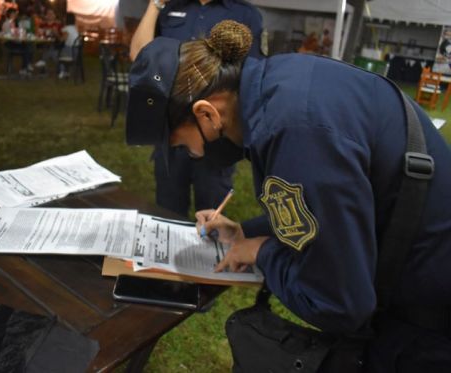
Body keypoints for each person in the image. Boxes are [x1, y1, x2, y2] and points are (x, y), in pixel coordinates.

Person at [125, 20, 451, 372]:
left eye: (184, 145)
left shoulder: (296, 130)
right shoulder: (278, 90)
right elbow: (326, 206)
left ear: (207, 113)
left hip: (428, 315)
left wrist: (264, 252)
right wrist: (246, 231)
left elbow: (339, 303)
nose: (195, 156)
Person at [129, 0, 263, 218]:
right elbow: (140, 57)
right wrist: (155, 4)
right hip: (175, 127)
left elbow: (249, 76)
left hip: (214, 131)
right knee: (167, 210)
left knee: (211, 214)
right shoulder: (171, 8)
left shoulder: (245, 13)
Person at [2, 7, 34, 74]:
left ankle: (26, 66)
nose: (16, 15)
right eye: (14, 14)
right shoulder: (7, 23)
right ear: (10, 14)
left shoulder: (15, 22)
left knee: (29, 46)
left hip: (16, 42)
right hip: (10, 43)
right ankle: (26, 66)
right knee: (27, 48)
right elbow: (10, 34)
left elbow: (20, 31)